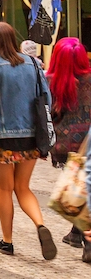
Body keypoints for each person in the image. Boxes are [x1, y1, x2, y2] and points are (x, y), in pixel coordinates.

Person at [0, 21, 57, 260]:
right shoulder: (32, 63)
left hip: (3, 137)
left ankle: (7, 241)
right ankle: (40, 224)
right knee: (23, 187)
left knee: (4, 188)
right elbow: (46, 98)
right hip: (31, 136)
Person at [47, 37, 91, 260]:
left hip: (63, 144)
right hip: (87, 141)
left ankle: (75, 233)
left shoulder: (50, 81)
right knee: (84, 186)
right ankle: (87, 240)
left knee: (79, 184)